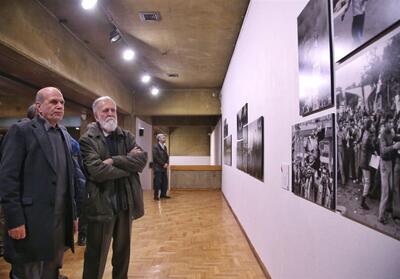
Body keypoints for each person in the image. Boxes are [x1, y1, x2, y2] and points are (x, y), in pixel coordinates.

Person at [0, 87, 78, 279]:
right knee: (28, 273)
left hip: (59, 222)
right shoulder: (21, 131)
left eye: (62, 103)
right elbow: (8, 179)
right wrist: (15, 220)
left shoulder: (64, 135)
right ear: (39, 107)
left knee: (51, 272)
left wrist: (73, 215)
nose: (59, 106)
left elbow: (69, 180)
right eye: (53, 102)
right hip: (29, 222)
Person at [79, 96, 147, 279]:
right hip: (101, 205)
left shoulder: (127, 136)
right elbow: (98, 171)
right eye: (105, 110)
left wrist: (114, 160)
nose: (110, 114)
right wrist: (128, 167)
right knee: (96, 256)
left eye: (113, 110)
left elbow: (141, 161)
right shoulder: (87, 140)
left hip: (125, 204)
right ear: (95, 115)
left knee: (122, 255)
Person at [152, 133, 171, 200]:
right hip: (158, 167)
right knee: (157, 182)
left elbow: (167, 156)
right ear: (159, 139)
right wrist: (163, 164)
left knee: (164, 182)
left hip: (164, 168)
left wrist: (167, 163)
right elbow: (156, 157)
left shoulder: (165, 147)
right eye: (163, 137)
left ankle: (163, 194)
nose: (164, 138)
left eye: (164, 137)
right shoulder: (155, 147)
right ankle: (156, 196)